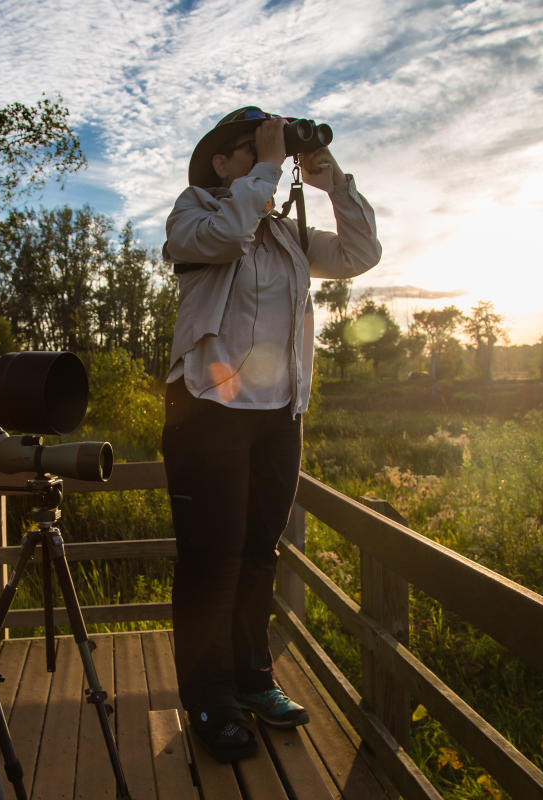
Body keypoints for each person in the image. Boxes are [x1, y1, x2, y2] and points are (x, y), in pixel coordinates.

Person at [162, 107, 382, 762]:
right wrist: (266, 167)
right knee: (212, 560)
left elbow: (360, 254)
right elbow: (228, 238)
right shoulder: (194, 215)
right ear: (221, 162)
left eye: (270, 146)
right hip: (207, 411)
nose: (268, 153)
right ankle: (209, 697)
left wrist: (330, 177)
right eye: (249, 147)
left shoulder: (284, 233)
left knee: (260, 555)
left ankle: (253, 680)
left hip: (279, 414)